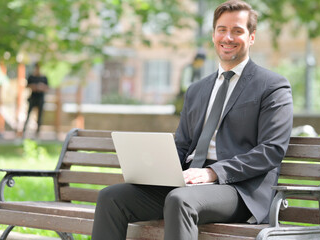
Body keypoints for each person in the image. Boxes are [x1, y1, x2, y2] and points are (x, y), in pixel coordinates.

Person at [92, 0, 293, 239]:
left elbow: (272, 150)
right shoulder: (197, 89)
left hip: (239, 190)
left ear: (251, 37)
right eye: (222, 29)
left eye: (237, 31)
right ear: (213, 34)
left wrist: (213, 172)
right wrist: (156, 170)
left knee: (179, 199)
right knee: (111, 197)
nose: (228, 37)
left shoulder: (272, 86)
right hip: (189, 183)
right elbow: (183, 144)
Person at [22, 62, 49, 137]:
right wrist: (34, 86)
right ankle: (24, 130)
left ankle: (38, 132)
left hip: (40, 98)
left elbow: (47, 88)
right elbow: (27, 86)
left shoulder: (44, 78)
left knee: (40, 116)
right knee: (28, 114)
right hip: (33, 98)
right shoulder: (31, 77)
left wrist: (41, 87)